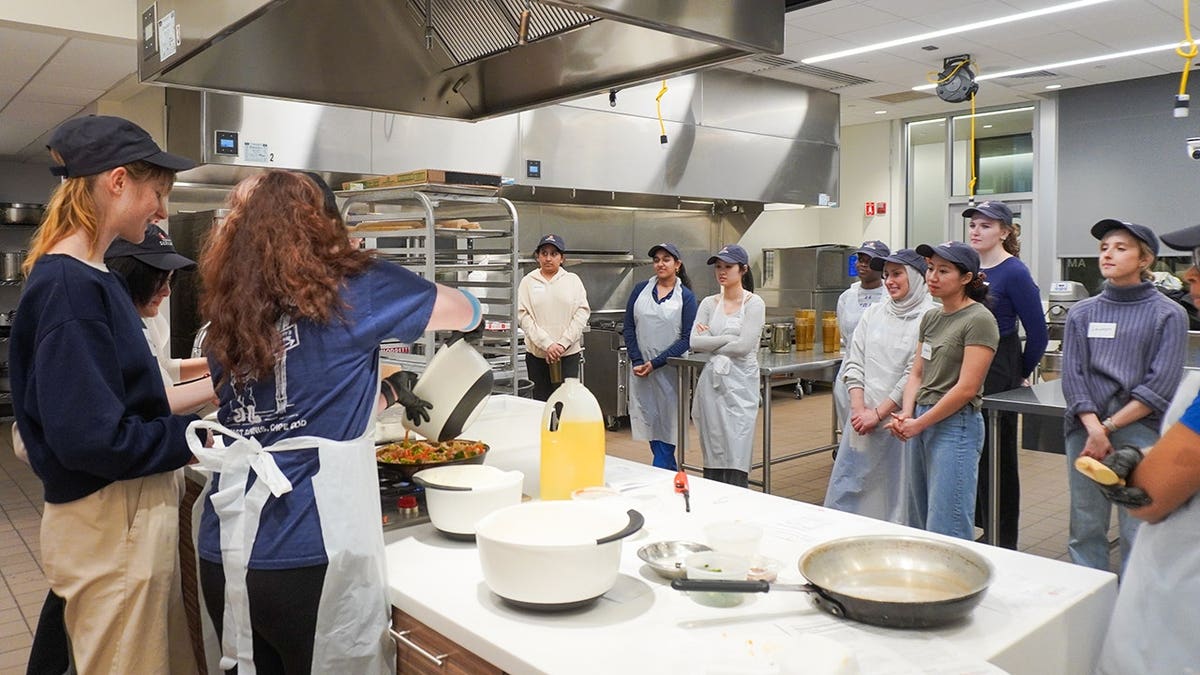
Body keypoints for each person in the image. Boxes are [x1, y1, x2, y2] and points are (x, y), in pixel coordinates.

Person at [192, 170, 481, 674]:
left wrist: (387, 391)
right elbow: (467, 312)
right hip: (309, 556)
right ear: (327, 225)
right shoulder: (356, 288)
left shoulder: (228, 313)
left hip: (226, 549)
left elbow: (295, 414)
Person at [11, 114, 199, 674]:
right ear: (117, 181)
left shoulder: (90, 277)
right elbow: (93, 441)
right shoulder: (72, 288)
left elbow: (124, 402)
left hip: (120, 518)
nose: (161, 211)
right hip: (111, 520)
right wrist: (197, 435)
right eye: (157, 193)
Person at [1089, 221, 1200, 672]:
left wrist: (1137, 461)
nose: (1190, 277)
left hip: (1181, 608)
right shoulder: (1086, 311)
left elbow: (1153, 496)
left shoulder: (1166, 314)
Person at [1060, 219, 1185, 573]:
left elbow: (1159, 386)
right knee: (1085, 523)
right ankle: (1087, 603)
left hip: (1139, 429)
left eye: (1120, 248)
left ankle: (1132, 608)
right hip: (1085, 429)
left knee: (1136, 523)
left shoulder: (1168, 314)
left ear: (1144, 259)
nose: (1108, 254)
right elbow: (1074, 376)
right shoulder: (1082, 312)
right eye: (1104, 248)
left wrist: (1109, 427)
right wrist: (1093, 428)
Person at [887, 241, 998, 540]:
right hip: (921, 419)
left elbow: (966, 388)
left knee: (946, 521)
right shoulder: (932, 317)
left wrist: (918, 424)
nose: (932, 276)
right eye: (931, 269)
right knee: (918, 516)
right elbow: (917, 373)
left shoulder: (979, 319)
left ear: (966, 278)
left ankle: (954, 585)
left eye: (943, 270)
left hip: (955, 423)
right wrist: (907, 413)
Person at [825, 249, 934, 525]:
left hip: (899, 422)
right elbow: (854, 361)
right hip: (862, 419)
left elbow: (914, 372)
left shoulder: (930, 317)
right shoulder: (874, 313)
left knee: (897, 497)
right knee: (852, 487)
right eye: (886, 275)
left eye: (897, 274)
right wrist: (859, 407)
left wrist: (879, 413)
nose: (889, 281)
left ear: (917, 277)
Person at [963, 200, 1048, 550]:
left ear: (1005, 231)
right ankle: (980, 522)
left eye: (985, 225)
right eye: (973, 225)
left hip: (1000, 363)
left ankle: (1003, 536)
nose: (976, 231)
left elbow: (1038, 333)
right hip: (968, 361)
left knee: (998, 455)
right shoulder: (967, 267)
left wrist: (1018, 373)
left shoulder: (1013, 272)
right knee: (971, 447)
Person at [106, 223, 215, 413]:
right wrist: (220, 384)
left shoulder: (146, 318)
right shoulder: (111, 327)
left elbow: (162, 367)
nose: (167, 291)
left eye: (169, 279)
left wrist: (217, 365)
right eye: (158, 281)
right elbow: (146, 399)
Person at [690, 244, 765, 488]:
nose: (722, 272)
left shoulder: (754, 303)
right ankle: (713, 495)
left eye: (728, 267)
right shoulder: (709, 304)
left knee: (737, 444)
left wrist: (711, 340)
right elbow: (694, 342)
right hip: (713, 384)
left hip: (741, 384)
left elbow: (744, 347)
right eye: (718, 267)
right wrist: (728, 339)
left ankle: (737, 498)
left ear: (742, 269)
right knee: (713, 443)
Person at [624, 242, 698, 471]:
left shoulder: (685, 297)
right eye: (657, 259)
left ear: (677, 264)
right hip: (641, 371)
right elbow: (628, 327)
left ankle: (662, 474)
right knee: (650, 424)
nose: (660, 264)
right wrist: (637, 361)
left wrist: (656, 363)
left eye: (666, 259)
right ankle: (670, 474)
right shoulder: (640, 290)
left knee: (668, 425)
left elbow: (687, 338)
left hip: (670, 372)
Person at [517, 234, 590, 401]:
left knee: (566, 405)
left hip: (568, 355)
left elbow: (582, 313)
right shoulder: (528, 282)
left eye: (554, 254)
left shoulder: (573, 281)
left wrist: (562, 344)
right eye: (544, 253)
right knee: (541, 405)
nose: (548, 258)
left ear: (562, 258)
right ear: (538, 256)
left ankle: (564, 429)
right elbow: (523, 316)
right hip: (537, 356)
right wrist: (547, 344)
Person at [833, 240, 890, 428]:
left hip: (880, 372)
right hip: (850, 370)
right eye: (860, 259)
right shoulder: (847, 297)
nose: (862, 264)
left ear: (882, 266)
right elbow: (846, 333)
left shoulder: (891, 296)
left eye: (869, 260)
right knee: (850, 428)